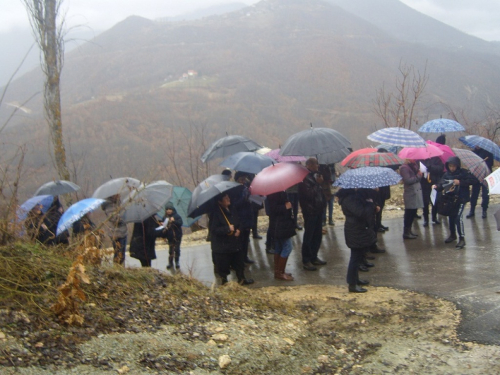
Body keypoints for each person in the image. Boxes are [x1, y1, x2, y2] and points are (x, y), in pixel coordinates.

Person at [336, 188, 378, 293]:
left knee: (358, 256)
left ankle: (355, 279)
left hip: (358, 228)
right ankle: (352, 284)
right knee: (355, 258)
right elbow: (360, 212)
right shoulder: (349, 199)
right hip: (355, 229)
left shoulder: (353, 197)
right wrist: (372, 206)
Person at [434, 156, 477, 249]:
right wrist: (436, 186)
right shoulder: (446, 174)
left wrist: (460, 182)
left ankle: (462, 238)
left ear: (457, 166)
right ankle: (453, 235)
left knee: (458, 217)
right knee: (451, 217)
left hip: (461, 198)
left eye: (454, 166)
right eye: (450, 166)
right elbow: (441, 183)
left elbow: (474, 181)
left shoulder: (464, 172)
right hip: (450, 198)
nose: (452, 168)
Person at [210, 193, 253, 285]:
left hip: (234, 242)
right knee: (224, 264)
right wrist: (227, 229)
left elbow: (239, 221)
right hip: (223, 245)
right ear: (220, 201)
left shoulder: (232, 209)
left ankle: (241, 279)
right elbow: (214, 230)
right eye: (225, 198)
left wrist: (239, 230)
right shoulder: (215, 213)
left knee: (239, 262)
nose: (228, 199)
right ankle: (224, 281)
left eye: (228, 196)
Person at [298, 157, 327, 271]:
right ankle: (306, 260)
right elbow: (308, 194)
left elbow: (319, 193)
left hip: (318, 209)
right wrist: (317, 184)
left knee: (317, 235)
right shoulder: (304, 178)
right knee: (309, 236)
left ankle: (314, 256)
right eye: (315, 164)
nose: (317, 166)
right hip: (310, 211)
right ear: (309, 165)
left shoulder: (314, 176)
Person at [267, 190, 296, 281]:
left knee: (279, 247)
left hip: (281, 224)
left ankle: (278, 271)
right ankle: (280, 272)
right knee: (288, 247)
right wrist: (285, 206)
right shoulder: (274, 192)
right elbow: (273, 209)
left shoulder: (280, 191)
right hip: (280, 225)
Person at [232, 171, 255, 264]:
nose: (243, 181)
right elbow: (234, 205)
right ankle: (239, 259)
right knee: (240, 241)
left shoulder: (246, 187)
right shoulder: (233, 190)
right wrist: (243, 199)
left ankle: (245, 256)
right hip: (240, 218)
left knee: (246, 240)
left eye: (244, 179)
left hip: (247, 216)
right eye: (241, 179)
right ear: (237, 180)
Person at [467, 146, 493, 219]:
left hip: (485, 175)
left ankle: (484, 210)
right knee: (474, 194)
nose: (477, 146)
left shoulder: (488, 152)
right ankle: (472, 210)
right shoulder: (473, 153)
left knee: (485, 195)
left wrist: (484, 163)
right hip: (476, 176)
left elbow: (491, 163)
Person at [400, 159, 423, 240]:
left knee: (413, 212)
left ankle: (409, 230)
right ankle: (406, 232)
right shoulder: (404, 168)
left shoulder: (414, 166)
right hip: (410, 193)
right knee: (409, 213)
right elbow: (407, 180)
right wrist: (418, 176)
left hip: (416, 192)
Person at [102, 195, 128, 264]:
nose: (119, 195)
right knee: (118, 254)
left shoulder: (118, 203)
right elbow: (114, 219)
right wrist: (124, 216)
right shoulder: (109, 205)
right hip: (116, 233)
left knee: (122, 255)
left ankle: (121, 269)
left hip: (123, 232)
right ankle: (117, 268)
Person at [421, 155, 445, 226]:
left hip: (434, 183)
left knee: (435, 202)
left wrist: (431, 167)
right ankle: (426, 219)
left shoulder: (436, 159)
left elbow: (441, 168)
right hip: (424, 184)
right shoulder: (421, 159)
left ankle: (434, 218)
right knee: (425, 203)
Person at [162, 203, 183, 270]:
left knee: (177, 249)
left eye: (170, 209)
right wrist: (164, 236)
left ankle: (177, 262)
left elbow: (180, 223)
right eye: (167, 209)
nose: (168, 211)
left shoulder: (176, 216)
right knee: (171, 250)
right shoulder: (164, 217)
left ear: (172, 210)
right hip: (170, 236)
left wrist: (174, 221)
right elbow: (164, 228)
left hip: (177, 236)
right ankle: (170, 262)